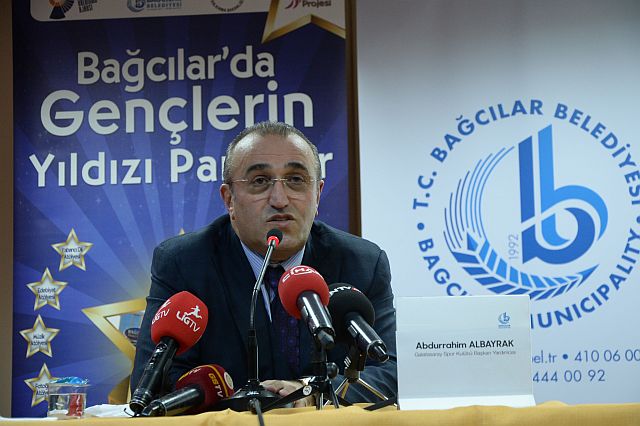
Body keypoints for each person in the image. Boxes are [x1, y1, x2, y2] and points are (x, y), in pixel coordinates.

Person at [131, 121, 397, 407]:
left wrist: (310, 393)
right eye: (259, 181)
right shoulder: (184, 263)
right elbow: (155, 383)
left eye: (296, 180)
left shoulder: (362, 263)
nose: (280, 200)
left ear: (318, 194)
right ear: (229, 199)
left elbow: (392, 370)